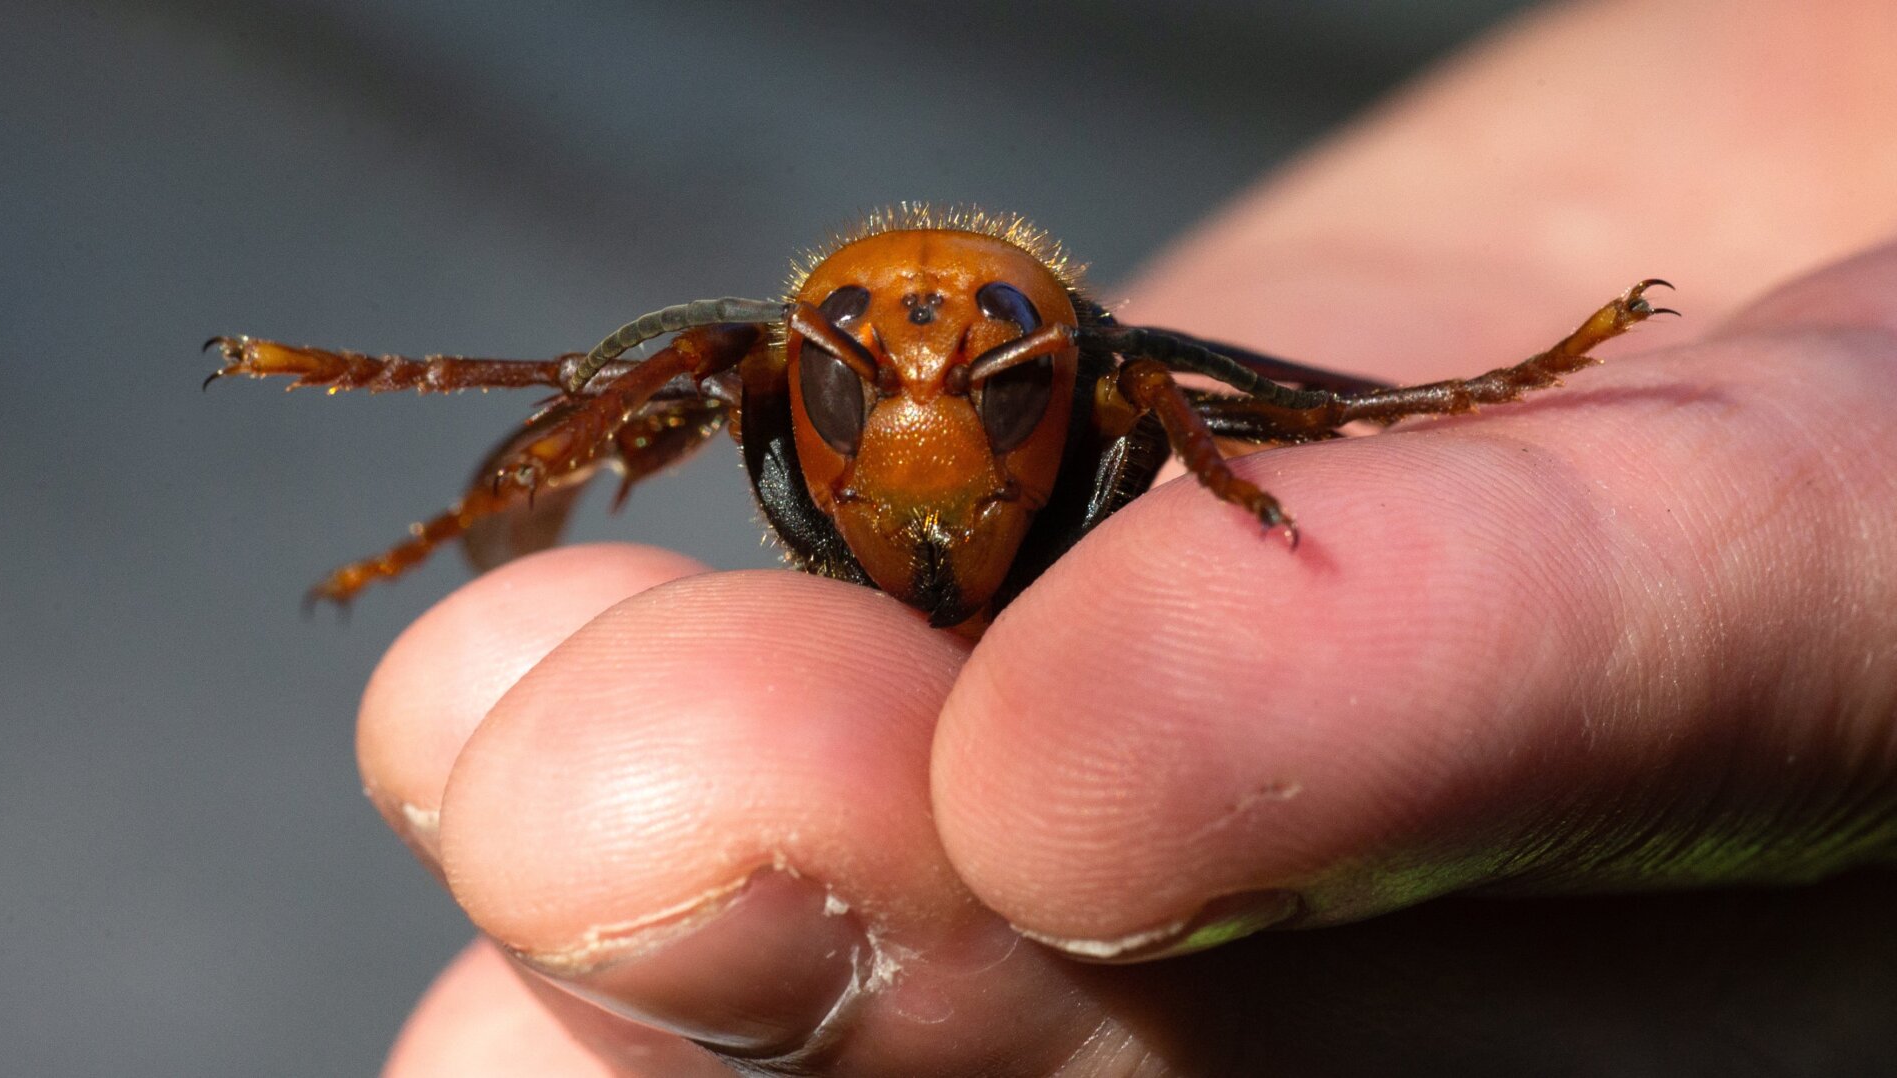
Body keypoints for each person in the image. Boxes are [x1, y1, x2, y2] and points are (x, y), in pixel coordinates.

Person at [365, 1, 1897, 1073]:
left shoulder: (1123, 381)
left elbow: (1301, 397)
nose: (922, 421)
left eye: (991, 372)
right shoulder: (756, 366)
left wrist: (1481, 398)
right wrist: (470, 432)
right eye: (857, 371)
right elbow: (641, 380)